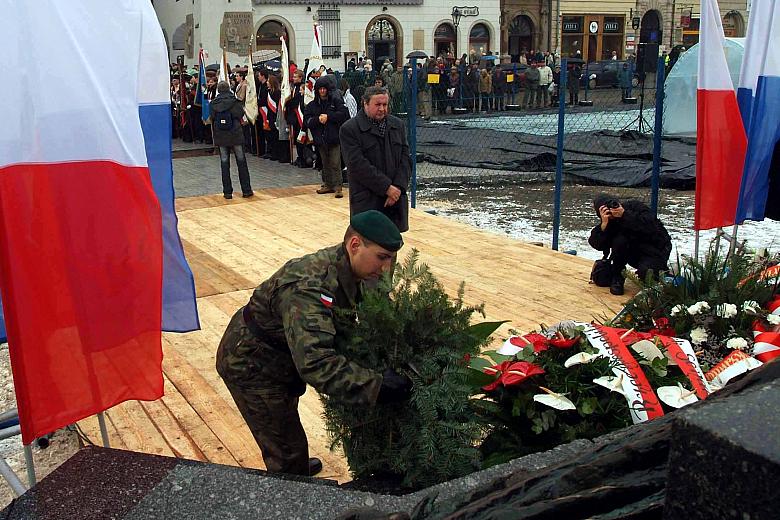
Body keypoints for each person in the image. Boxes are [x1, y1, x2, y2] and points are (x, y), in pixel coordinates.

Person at [216, 210, 412, 476]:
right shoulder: (308, 288)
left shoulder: (353, 268)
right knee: (285, 450)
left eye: (391, 259)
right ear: (354, 245)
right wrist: (376, 386)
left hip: (282, 356)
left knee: (287, 427)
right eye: (382, 258)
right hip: (252, 365)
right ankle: (290, 477)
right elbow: (316, 363)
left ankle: (293, 460)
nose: (386, 268)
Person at [340, 86, 412, 233]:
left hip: (394, 202)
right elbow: (357, 165)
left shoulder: (397, 125)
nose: (382, 109)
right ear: (365, 104)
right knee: (367, 247)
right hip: (367, 201)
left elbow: (405, 159)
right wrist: (386, 188)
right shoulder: (350, 129)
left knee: (390, 248)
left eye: (385, 105)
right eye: (377, 105)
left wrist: (397, 188)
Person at [588, 194, 673, 295]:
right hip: (633, 254)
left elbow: (651, 227)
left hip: (655, 250)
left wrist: (624, 215)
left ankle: (661, 272)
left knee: (648, 274)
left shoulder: (635, 207)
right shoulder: (610, 222)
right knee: (620, 240)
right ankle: (617, 277)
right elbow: (598, 245)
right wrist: (603, 225)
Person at [304, 75, 349, 198]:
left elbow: (344, 115)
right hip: (320, 139)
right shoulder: (312, 105)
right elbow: (307, 121)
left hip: (334, 138)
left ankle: (338, 186)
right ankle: (328, 184)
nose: (322, 91)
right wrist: (318, 119)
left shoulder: (335, 101)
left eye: (324, 89)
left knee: (335, 163)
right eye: (320, 89)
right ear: (317, 90)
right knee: (324, 163)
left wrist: (329, 117)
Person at [208, 81, 253, 199]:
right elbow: (241, 115)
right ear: (229, 89)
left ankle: (227, 192)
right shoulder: (235, 102)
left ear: (218, 90)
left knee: (224, 163)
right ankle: (246, 190)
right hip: (235, 134)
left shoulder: (213, 103)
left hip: (221, 136)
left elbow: (212, 118)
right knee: (241, 161)